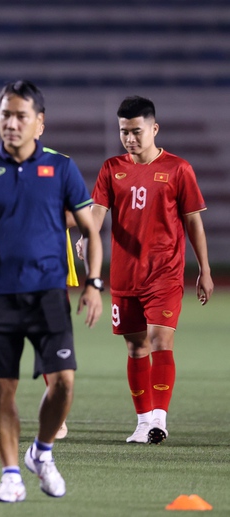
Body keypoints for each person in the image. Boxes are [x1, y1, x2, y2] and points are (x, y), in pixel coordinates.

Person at [0, 80, 102, 502]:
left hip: (48, 293)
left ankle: (41, 453)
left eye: (20, 116)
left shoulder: (62, 169)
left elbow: (91, 229)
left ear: (39, 123)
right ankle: (10, 475)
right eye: (5, 115)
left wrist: (94, 281)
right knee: (3, 388)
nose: (11, 124)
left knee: (64, 382)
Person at [78, 95, 212, 445]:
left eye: (136, 131)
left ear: (154, 128)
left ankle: (159, 420)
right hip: (124, 275)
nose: (130, 138)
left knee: (159, 340)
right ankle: (142, 422)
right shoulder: (111, 169)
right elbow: (97, 211)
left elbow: (193, 222)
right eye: (124, 132)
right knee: (135, 348)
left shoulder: (178, 169)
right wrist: (86, 236)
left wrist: (205, 269)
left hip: (164, 273)